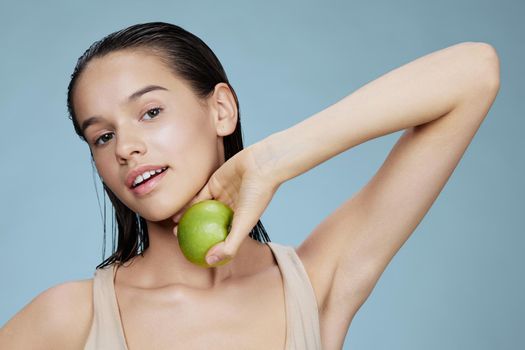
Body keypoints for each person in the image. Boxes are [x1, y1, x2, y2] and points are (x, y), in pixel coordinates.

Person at [0, 21, 500, 349]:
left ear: (221, 109)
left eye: (150, 112)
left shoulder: (315, 284)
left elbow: (474, 71)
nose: (124, 147)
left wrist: (276, 158)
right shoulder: (68, 318)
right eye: (102, 136)